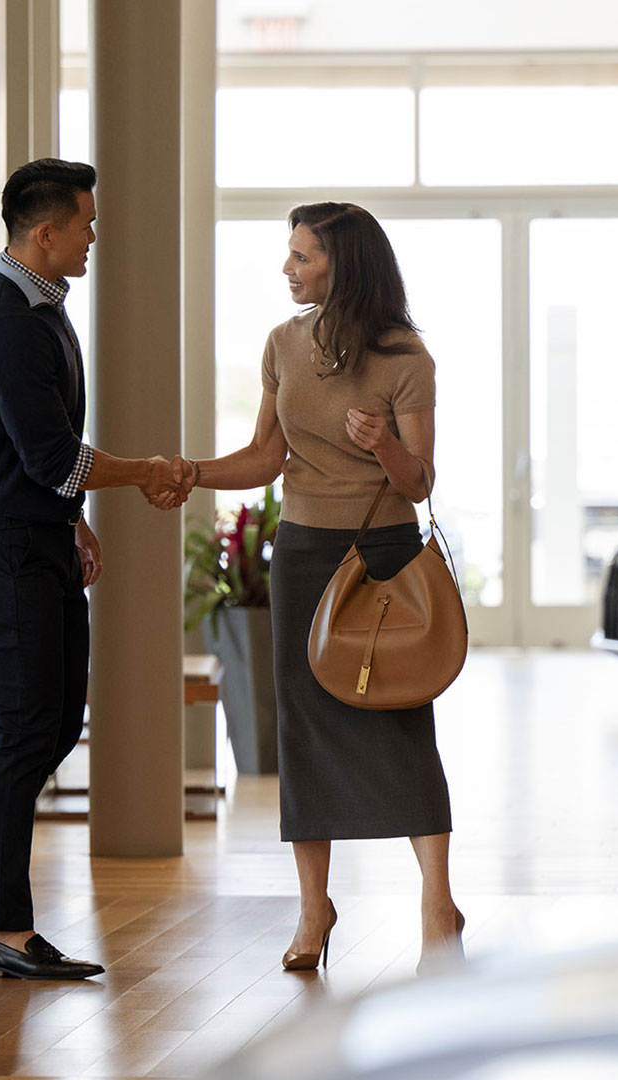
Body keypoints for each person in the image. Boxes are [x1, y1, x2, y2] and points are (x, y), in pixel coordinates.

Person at [170, 202, 463, 973]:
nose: (288, 268)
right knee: (304, 727)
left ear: (344, 265)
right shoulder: (282, 344)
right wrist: (190, 473)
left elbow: (422, 479)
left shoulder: (407, 359)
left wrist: (386, 445)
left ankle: (437, 898)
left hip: (385, 553)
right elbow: (265, 458)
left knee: (399, 715)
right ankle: (313, 908)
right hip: (302, 553)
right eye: (290, 254)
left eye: (302, 257)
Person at [0, 158, 184, 980]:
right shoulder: (9, 320)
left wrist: (76, 521)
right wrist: (144, 472)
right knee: (28, 729)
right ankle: (5, 928)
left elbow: (45, 464)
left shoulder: (41, 307)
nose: (95, 237)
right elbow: (53, 456)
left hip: (41, 542)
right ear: (46, 232)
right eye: (88, 225)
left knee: (54, 725)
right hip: (4, 554)